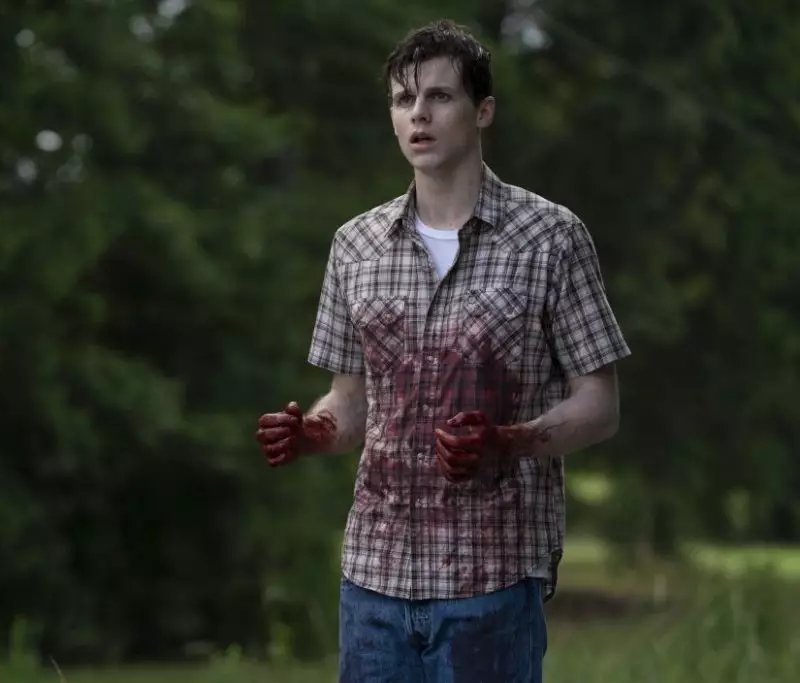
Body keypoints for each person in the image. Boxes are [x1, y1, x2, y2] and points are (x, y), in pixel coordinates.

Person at [254, 19, 631, 683]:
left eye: (440, 96)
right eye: (404, 100)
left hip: (492, 579)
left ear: (483, 111)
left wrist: (506, 440)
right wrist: (312, 432)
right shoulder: (355, 246)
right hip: (372, 580)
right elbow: (351, 401)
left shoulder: (552, 238)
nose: (419, 115)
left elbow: (599, 405)